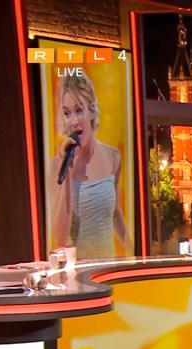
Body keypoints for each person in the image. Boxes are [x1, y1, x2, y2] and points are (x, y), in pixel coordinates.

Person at [47, 71, 132, 259]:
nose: (74, 121)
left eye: (79, 110)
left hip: (109, 268)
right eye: (67, 113)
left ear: (91, 111)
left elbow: (115, 213)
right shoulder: (56, 167)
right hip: (78, 271)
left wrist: (134, 254)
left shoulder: (112, 157)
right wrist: (67, 176)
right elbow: (60, 239)